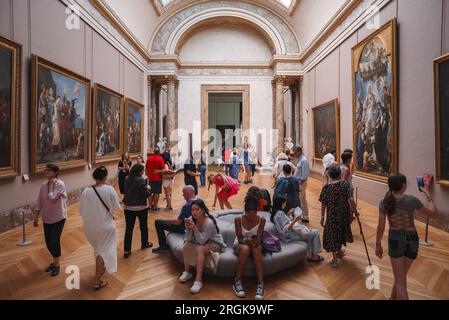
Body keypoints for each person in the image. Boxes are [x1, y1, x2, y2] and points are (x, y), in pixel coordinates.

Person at [375, 173, 438, 300]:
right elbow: (433, 213)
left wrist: (378, 244)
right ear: (402, 185)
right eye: (406, 183)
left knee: (400, 281)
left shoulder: (385, 201)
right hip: (412, 240)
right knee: (401, 277)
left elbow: (380, 226)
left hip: (395, 240)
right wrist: (427, 194)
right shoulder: (411, 200)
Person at [79, 166, 121, 290]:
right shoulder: (109, 189)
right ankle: (97, 280)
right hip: (106, 226)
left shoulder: (86, 191)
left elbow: (81, 211)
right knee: (102, 251)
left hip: (90, 227)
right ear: (105, 177)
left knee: (99, 249)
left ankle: (101, 268)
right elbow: (116, 206)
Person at [180, 199, 226, 294]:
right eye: (192, 210)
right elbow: (188, 239)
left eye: (197, 209)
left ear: (203, 210)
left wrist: (194, 228)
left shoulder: (209, 222)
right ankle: (187, 272)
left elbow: (201, 242)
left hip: (215, 243)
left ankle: (198, 280)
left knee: (200, 249)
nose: (194, 212)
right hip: (202, 241)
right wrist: (187, 228)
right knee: (186, 245)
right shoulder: (191, 219)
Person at [319, 165, 359, 268]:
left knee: (332, 233)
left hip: (332, 214)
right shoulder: (345, 185)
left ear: (330, 175)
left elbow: (323, 204)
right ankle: (339, 249)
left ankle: (335, 259)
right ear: (340, 174)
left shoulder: (326, 187)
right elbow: (351, 200)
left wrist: (322, 217)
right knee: (341, 230)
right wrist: (355, 212)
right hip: (344, 213)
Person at [33, 164, 67, 277]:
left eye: (49, 170)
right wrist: (36, 216)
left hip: (58, 217)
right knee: (48, 242)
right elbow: (40, 201)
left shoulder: (60, 184)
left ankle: (56, 264)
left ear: (55, 172)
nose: (46, 172)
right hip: (47, 218)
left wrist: (51, 188)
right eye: (46, 170)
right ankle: (54, 262)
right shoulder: (43, 185)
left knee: (54, 240)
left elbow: (52, 199)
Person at [271, 196, 323, 262]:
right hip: (290, 236)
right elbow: (286, 230)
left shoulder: (276, 214)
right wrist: (295, 219)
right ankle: (315, 256)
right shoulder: (280, 214)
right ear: (281, 203)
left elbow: (283, 223)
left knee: (309, 233)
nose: (285, 204)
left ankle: (310, 255)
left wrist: (288, 214)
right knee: (315, 233)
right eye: (284, 203)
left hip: (286, 236)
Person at [232, 196, 266, 300]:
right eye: (248, 214)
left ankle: (260, 284)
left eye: (254, 214)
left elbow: (260, 237)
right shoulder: (238, 219)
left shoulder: (262, 220)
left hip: (254, 245)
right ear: (245, 211)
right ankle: (237, 280)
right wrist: (247, 241)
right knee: (246, 249)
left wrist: (256, 240)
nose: (251, 216)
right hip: (240, 244)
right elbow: (240, 238)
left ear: (256, 212)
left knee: (256, 249)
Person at [152, 185, 196, 253]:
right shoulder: (199, 201)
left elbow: (178, 222)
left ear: (187, 194)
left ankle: (163, 246)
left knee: (158, 222)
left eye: (183, 193)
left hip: (184, 228)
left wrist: (167, 221)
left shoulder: (187, 206)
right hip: (194, 227)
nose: (183, 195)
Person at [123, 163, 152, 258]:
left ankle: (127, 250)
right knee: (143, 227)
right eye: (143, 170)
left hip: (128, 207)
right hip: (140, 207)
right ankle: (144, 243)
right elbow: (146, 194)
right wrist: (149, 189)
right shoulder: (141, 180)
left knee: (129, 229)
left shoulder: (127, 178)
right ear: (140, 171)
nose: (143, 172)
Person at [293, 146, 310, 223]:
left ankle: (304, 216)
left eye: (296, 152)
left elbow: (305, 174)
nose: (295, 154)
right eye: (294, 152)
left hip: (301, 182)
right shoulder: (299, 159)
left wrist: (300, 184)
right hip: (298, 182)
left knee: (301, 199)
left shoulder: (304, 160)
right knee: (301, 199)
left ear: (300, 151)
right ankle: (302, 216)